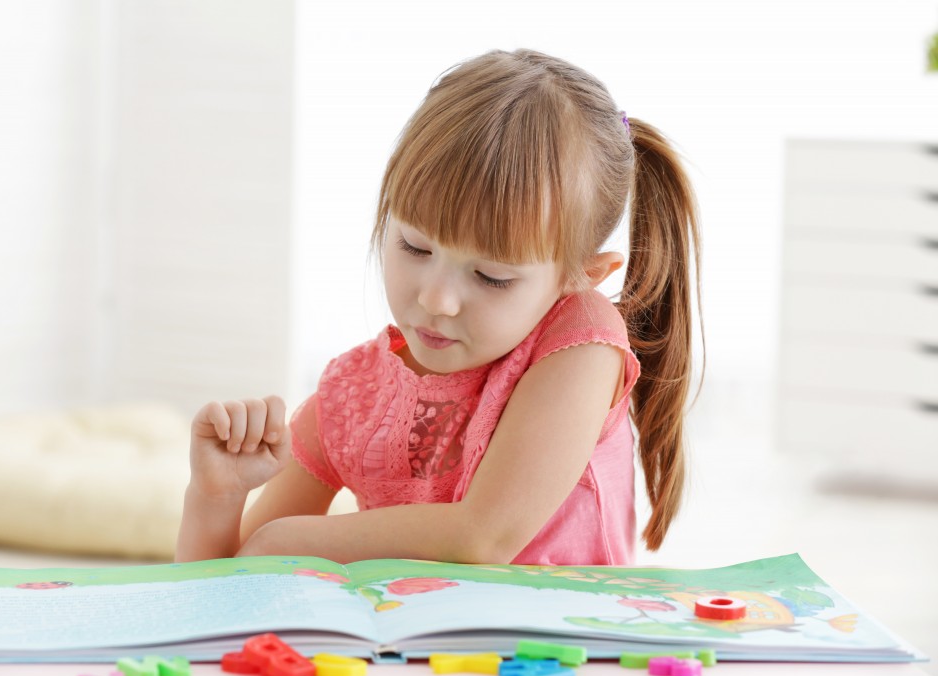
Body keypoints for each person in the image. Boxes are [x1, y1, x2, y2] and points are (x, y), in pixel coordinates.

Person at [176, 49, 701, 566]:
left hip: (568, 651)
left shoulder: (581, 340)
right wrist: (216, 498)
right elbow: (225, 595)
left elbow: (483, 538)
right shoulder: (349, 398)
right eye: (415, 248)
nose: (436, 299)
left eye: (492, 276)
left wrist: (285, 542)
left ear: (579, 277)